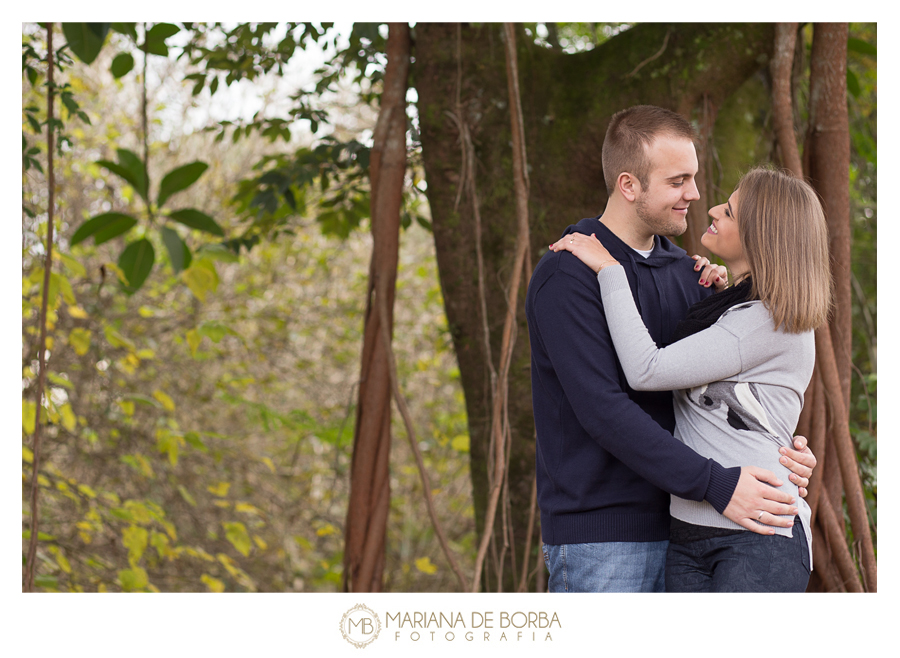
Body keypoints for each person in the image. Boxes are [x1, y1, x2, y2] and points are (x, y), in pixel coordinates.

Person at [525, 105, 817, 592]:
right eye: (678, 181)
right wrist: (717, 484)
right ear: (629, 185)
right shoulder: (568, 271)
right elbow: (603, 409)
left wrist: (783, 449)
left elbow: (728, 390)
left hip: (696, 530)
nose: (696, 195)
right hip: (606, 539)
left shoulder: (692, 276)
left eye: (695, 178)